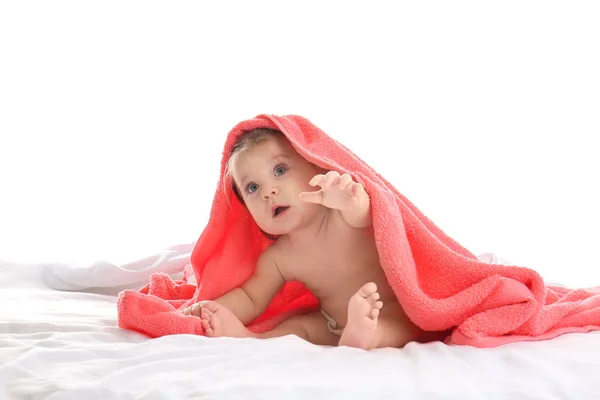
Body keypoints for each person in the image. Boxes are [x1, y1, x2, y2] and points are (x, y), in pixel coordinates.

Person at [183, 128, 440, 349]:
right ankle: (250, 338)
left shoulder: (342, 214)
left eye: (280, 170)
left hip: (390, 307)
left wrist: (348, 197)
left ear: (314, 164)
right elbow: (251, 298)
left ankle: (370, 335)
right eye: (253, 187)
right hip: (331, 323)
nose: (268, 192)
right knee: (299, 327)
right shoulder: (279, 258)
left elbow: (369, 216)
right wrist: (210, 308)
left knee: (405, 323)